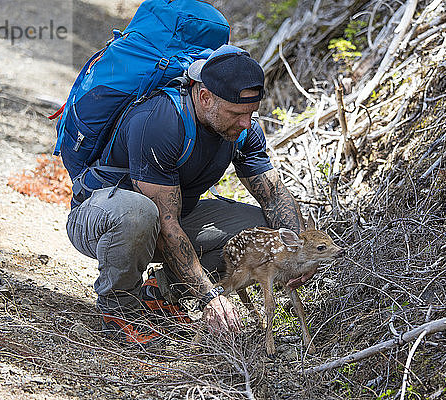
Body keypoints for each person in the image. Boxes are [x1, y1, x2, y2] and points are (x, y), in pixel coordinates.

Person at [65, 45, 310, 345]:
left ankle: (162, 292)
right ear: (205, 96)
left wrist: (298, 254)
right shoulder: (161, 121)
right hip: (102, 219)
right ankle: (119, 311)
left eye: (251, 113)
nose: (246, 123)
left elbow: (273, 195)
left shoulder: (242, 130)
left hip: (168, 220)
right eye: (237, 113)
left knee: (258, 226)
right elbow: (165, 225)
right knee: (139, 212)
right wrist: (211, 297)